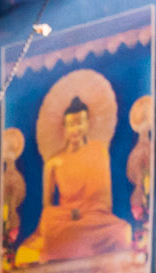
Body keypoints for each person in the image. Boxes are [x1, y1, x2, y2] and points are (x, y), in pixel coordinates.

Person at [18, 92, 134, 262]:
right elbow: (47, 207)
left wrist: (85, 212)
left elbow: (105, 201)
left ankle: (66, 247)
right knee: (48, 222)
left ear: (88, 124)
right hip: (65, 220)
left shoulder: (98, 151)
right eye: (71, 124)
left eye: (80, 122)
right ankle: (70, 245)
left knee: (123, 230)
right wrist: (67, 213)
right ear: (63, 128)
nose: (76, 129)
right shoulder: (54, 162)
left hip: (94, 219)